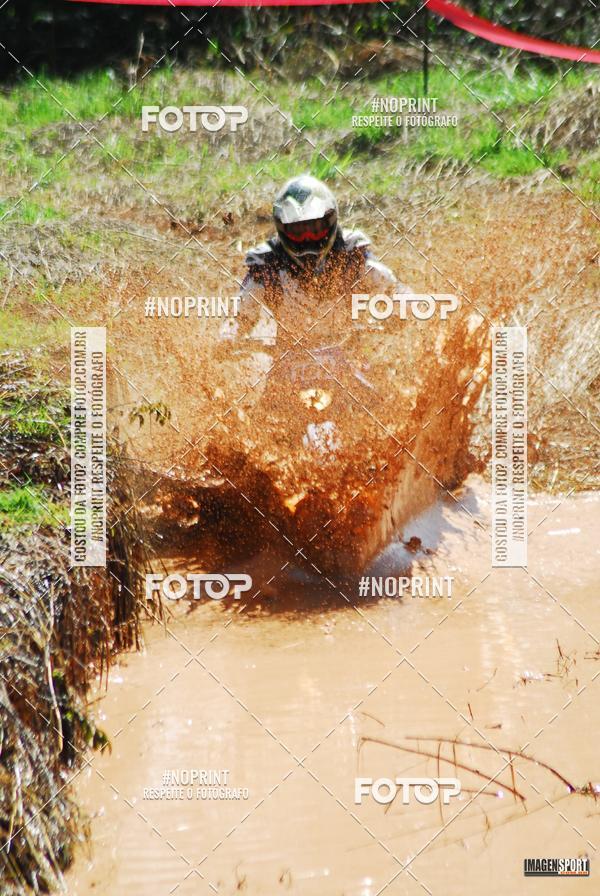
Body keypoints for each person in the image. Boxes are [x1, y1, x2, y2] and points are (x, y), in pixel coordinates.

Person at [221, 174, 402, 347]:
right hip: (287, 369)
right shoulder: (268, 266)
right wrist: (229, 337)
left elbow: (396, 291)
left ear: (330, 222)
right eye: (299, 232)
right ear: (283, 231)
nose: (308, 239)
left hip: (350, 362)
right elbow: (240, 316)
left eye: (315, 229)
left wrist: (399, 312)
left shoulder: (351, 256)